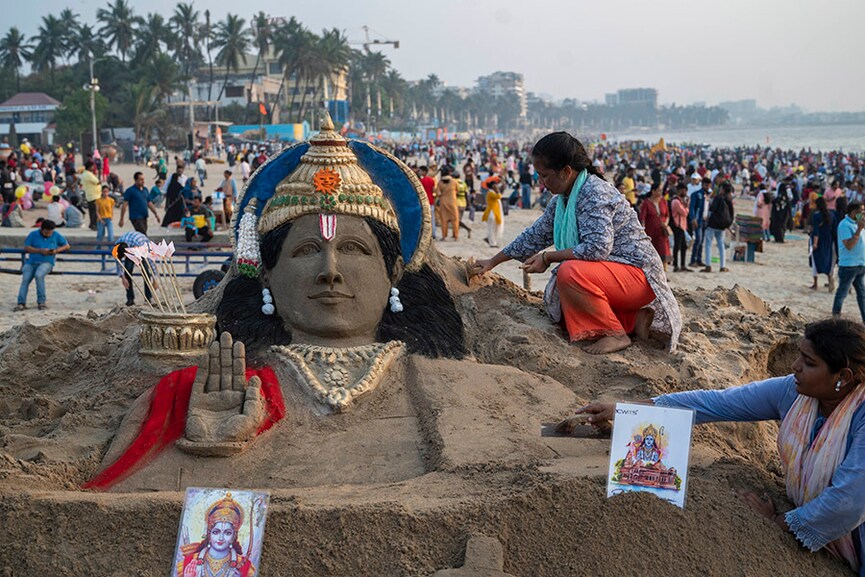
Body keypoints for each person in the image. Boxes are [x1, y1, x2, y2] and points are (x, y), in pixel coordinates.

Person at [576, 318, 865, 576]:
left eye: (809, 363)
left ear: (844, 377)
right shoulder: (793, 391)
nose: (795, 366)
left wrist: (779, 521)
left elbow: (849, 500)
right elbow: (716, 403)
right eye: (799, 356)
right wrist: (627, 410)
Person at [469, 132, 682, 355]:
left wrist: (547, 257)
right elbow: (534, 236)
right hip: (611, 275)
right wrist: (493, 261)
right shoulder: (562, 199)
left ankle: (616, 334)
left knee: (569, 273)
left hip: (639, 276)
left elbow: (597, 248)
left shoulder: (594, 192)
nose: (541, 184)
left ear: (566, 171)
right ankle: (633, 320)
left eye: (545, 176)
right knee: (561, 309)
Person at [176, 493, 256, 577]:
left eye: (227, 533)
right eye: (216, 532)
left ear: (234, 536)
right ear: (209, 534)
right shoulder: (189, 562)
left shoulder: (245, 567)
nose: (221, 538)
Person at [14, 219, 69, 311]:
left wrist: (55, 251)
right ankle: (21, 302)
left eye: (50, 233)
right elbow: (27, 247)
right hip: (31, 262)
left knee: (39, 275)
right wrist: (40, 251)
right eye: (46, 233)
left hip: (47, 262)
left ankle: (41, 302)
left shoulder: (56, 235)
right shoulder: (33, 234)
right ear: (42, 229)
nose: (48, 235)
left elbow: (66, 245)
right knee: (25, 279)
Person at [832, 202, 865, 322]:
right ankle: (835, 317)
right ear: (853, 212)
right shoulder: (844, 225)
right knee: (842, 292)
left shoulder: (860, 223)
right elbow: (849, 245)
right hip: (849, 265)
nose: (863, 213)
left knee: (862, 294)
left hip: (860, 264)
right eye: (861, 211)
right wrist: (859, 229)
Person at [702, 181, 735, 273]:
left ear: (722, 189)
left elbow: (712, 209)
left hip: (712, 224)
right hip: (722, 226)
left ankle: (708, 265)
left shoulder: (718, 198)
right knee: (721, 245)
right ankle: (722, 266)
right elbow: (732, 214)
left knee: (708, 244)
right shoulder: (729, 200)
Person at [114, 230, 153, 307]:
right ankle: (130, 299)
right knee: (127, 272)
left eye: (125, 256)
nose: (125, 258)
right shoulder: (116, 247)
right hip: (130, 249)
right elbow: (118, 262)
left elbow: (150, 260)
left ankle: (148, 297)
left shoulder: (139, 243)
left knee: (146, 272)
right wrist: (122, 277)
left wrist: (155, 277)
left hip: (140, 249)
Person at [638, 183, 671, 271]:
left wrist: (666, 224)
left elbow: (667, 215)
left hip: (662, 230)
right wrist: (642, 229)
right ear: (653, 191)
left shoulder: (663, 201)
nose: (660, 192)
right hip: (651, 231)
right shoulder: (647, 202)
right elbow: (642, 217)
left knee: (663, 250)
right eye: (659, 190)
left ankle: (664, 271)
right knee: (653, 251)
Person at [810, 197, 836, 291]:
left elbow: (816, 231)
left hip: (819, 240)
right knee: (828, 261)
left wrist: (815, 244)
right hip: (829, 240)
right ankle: (830, 280)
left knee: (815, 261)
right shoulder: (832, 215)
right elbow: (834, 230)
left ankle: (815, 283)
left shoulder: (816, 216)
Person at [434, 166, 460, 241]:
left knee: (444, 220)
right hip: (453, 202)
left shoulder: (440, 182)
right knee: (455, 219)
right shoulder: (454, 181)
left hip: (443, 202)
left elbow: (438, 193)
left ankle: (444, 236)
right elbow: (457, 190)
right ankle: (456, 236)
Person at [670, 183, 691, 272]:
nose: (685, 192)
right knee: (677, 246)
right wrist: (686, 207)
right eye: (684, 190)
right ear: (679, 190)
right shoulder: (676, 201)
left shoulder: (680, 201)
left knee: (683, 246)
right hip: (677, 225)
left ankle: (682, 265)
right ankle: (675, 265)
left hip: (682, 225)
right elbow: (684, 213)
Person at [689, 177, 709, 267]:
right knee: (698, 240)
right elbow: (692, 207)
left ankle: (699, 259)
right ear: (702, 184)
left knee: (701, 241)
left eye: (708, 185)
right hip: (698, 220)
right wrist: (693, 218)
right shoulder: (696, 194)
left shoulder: (707, 195)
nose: (707, 187)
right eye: (706, 185)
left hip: (705, 220)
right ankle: (693, 260)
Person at [481, 175, 504, 247]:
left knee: (493, 228)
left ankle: (490, 239)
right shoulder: (491, 193)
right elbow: (499, 196)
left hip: (493, 212)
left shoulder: (491, 192)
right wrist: (497, 191)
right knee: (492, 228)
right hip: (492, 212)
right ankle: (492, 243)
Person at [80, 160, 101, 231]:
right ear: (90, 167)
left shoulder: (86, 174)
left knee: (92, 211)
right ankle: (94, 225)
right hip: (93, 195)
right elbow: (97, 182)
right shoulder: (88, 174)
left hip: (91, 194)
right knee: (95, 211)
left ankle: (92, 224)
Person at [419, 166, 437, 240]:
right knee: (432, 218)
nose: (419, 172)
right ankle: (433, 233)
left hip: (424, 202)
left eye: (420, 171)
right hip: (431, 201)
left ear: (424, 172)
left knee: (424, 219)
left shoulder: (421, 181)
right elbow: (433, 190)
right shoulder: (432, 180)